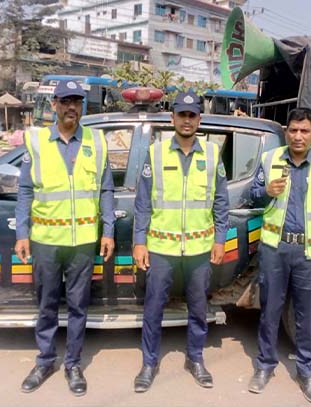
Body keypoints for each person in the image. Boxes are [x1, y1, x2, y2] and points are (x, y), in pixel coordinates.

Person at [15, 80, 116, 397]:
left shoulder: (97, 143)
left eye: (77, 101)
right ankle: (45, 361)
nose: (72, 106)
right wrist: (22, 233)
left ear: (83, 106)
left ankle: (73, 364)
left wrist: (108, 230)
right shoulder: (37, 142)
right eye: (66, 101)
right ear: (54, 105)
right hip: (45, 240)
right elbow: (25, 190)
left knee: (77, 307)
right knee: (46, 305)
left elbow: (106, 189)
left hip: (83, 243)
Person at [246, 107, 311, 404]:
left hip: (310, 252)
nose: (298, 136)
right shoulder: (271, 159)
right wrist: (267, 191)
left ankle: (307, 372)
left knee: (305, 316)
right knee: (269, 312)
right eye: (293, 130)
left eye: (304, 131)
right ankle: (265, 366)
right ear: (286, 132)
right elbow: (253, 196)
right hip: (275, 249)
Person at [132, 90, 229, 392]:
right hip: (161, 247)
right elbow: (142, 202)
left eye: (192, 115)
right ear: (172, 117)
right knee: (154, 308)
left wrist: (220, 239)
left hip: (200, 249)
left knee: (198, 308)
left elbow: (221, 202)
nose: (187, 120)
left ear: (199, 118)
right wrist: (139, 241)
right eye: (181, 114)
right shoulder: (156, 152)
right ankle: (149, 363)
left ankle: (195, 358)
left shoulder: (212, 155)